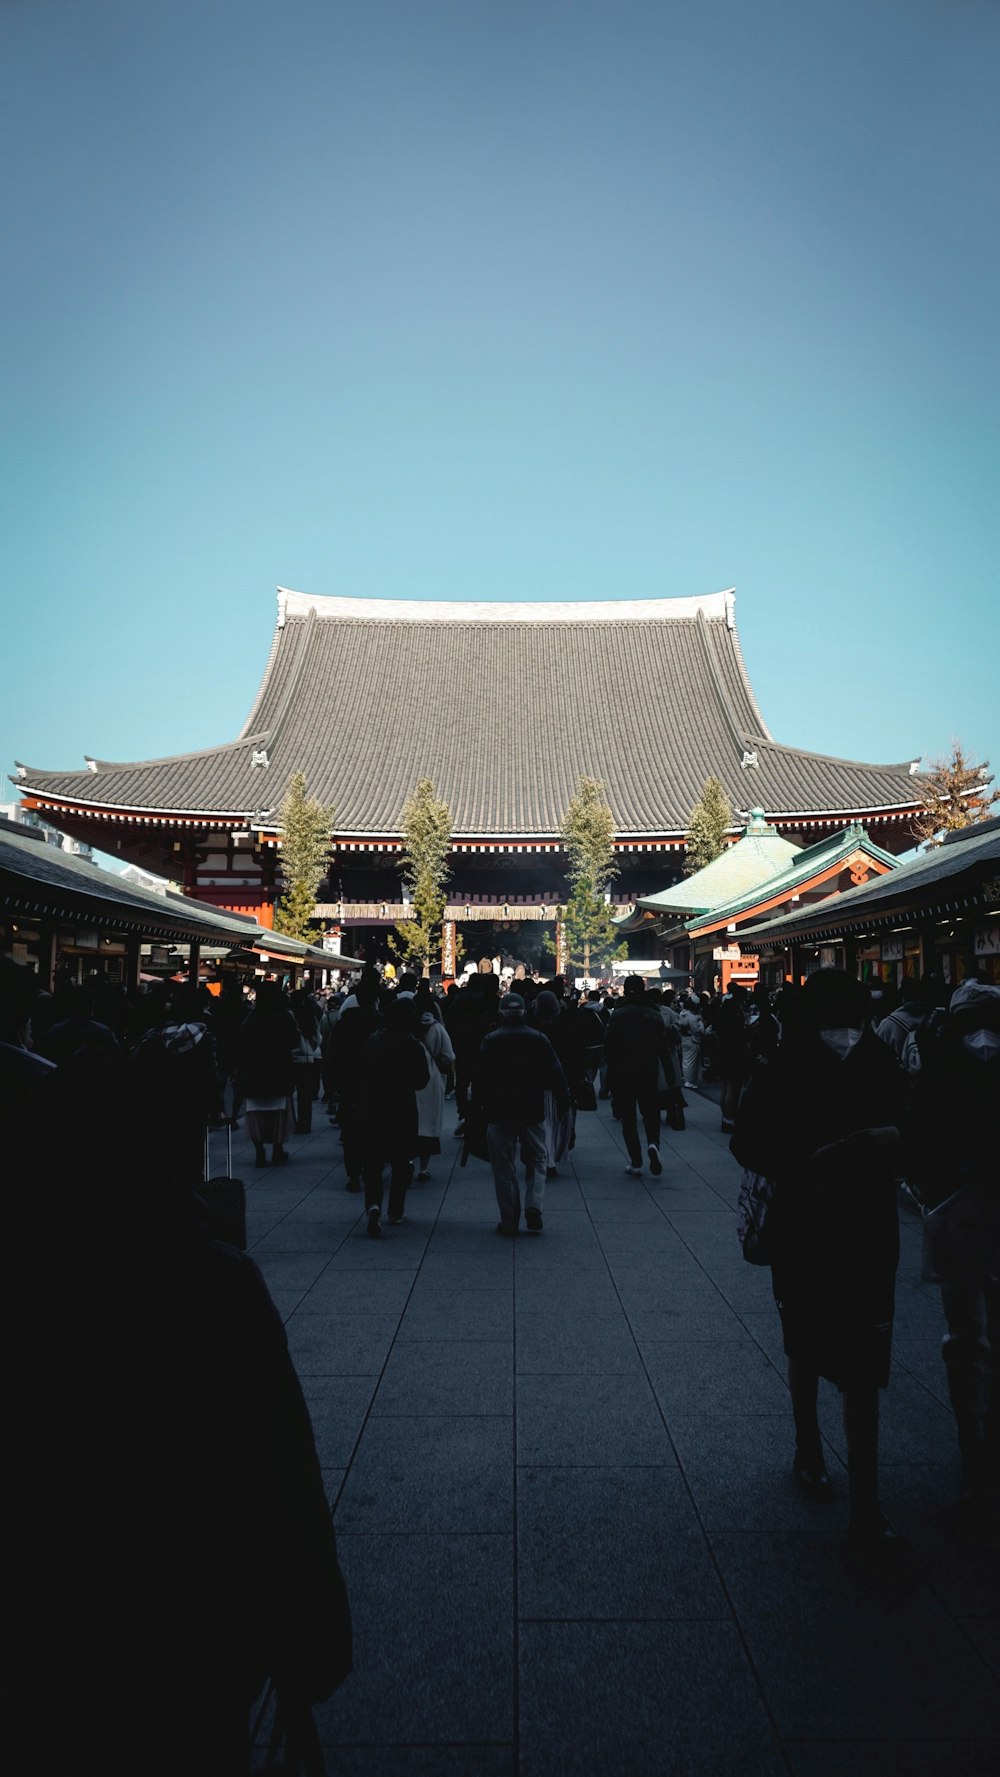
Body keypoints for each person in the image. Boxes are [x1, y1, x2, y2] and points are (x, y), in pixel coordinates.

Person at [6, 1042, 352, 1777]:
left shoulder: (31, 1274)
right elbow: (275, 1468)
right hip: (182, 1621)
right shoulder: (208, 1280)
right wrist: (307, 1634)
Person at [732, 969, 908, 1571]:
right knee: (846, 1355)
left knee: (819, 1347)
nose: (847, 1031)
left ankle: (830, 1469)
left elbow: (746, 1141)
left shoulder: (790, 1065)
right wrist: (844, 1152)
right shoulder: (868, 1062)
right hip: (847, 1227)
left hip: (817, 1229)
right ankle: (850, 1489)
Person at [907, 980, 1000, 1535]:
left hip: (959, 1218)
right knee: (968, 1337)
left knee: (965, 1338)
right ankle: (977, 1451)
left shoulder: (939, 1073)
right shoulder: (943, 1072)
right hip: (964, 1214)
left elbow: (919, 1147)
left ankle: (975, 1458)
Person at [473, 991, 569, 1235]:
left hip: (499, 1110)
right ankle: (534, 1204)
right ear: (525, 1013)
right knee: (537, 1159)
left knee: (503, 1165)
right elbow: (556, 1073)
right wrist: (563, 1100)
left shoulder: (490, 1040)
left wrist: (477, 1108)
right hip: (532, 1107)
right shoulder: (539, 1038)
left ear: (501, 1013)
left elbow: (480, 1078)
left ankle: (509, 1220)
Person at [360, 996, 430, 1237]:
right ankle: (396, 1210)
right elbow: (422, 1081)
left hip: (374, 1105)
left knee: (373, 1161)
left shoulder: (374, 1041)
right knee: (401, 1161)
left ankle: (373, 1205)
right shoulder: (413, 1045)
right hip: (403, 1107)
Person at [604, 974, 670, 1177]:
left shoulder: (618, 1014)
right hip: (648, 1070)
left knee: (629, 1118)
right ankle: (653, 1144)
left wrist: (608, 1077)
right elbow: (663, 1048)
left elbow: (609, 1047)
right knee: (651, 1112)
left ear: (625, 989)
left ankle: (636, 1161)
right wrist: (671, 1075)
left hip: (623, 1072)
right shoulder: (654, 1014)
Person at [329, 968, 384, 1191]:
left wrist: (333, 1085)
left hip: (349, 1083)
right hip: (377, 1085)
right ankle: (372, 1170)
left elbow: (332, 1055)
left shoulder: (344, 1024)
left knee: (351, 1132)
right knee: (375, 1130)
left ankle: (353, 1173)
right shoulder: (382, 1023)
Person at [236, 981, 298, 1167]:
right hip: (279, 1071)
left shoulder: (251, 1018)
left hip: (254, 1074)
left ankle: (259, 1151)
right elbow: (294, 1040)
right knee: (279, 1113)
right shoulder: (284, 1017)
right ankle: (277, 1149)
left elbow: (242, 1045)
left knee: (256, 1113)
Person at [414, 1003, 456, 1179]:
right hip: (431, 1079)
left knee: (410, 1122)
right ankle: (423, 1168)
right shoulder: (438, 1028)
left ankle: (406, 1160)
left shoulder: (408, 1027)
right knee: (428, 1124)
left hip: (408, 1079)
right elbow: (448, 1055)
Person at [677, 990, 704, 1089]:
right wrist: (700, 1023)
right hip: (692, 1040)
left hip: (684, 1039)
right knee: (691, 1062)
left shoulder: (683, 1013)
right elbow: (697, 1030)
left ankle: (687, 1079)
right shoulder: (693, 1017)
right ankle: (689, 1081)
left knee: (686, 1061)